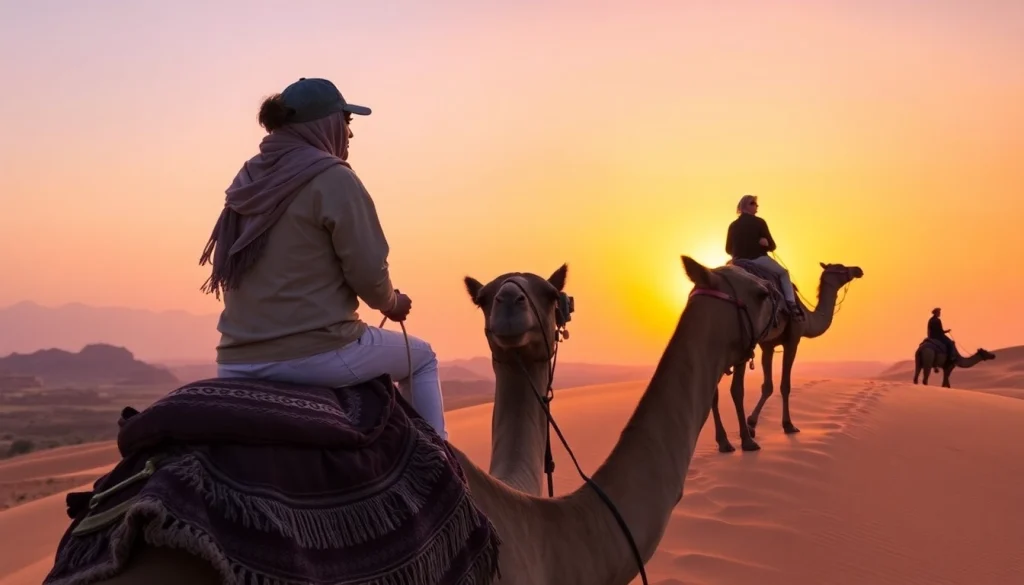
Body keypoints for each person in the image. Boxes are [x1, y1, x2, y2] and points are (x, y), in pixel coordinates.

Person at [198, 77, 447, 439]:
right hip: (315, 354)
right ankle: (444, 468)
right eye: (346, 122)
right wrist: (392, 303)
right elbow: (368, 274)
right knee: (422, 358)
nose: (349, 135)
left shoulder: (248, 178)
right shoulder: (332, 177)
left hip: (237, 361)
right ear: (324, 124)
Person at [725, 194, 804, 320]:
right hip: (757, 260)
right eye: (754, 204)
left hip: (737, 262)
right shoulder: (759, 222)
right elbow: (772, 246)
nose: (757, 206)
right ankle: (791, 304)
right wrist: (765, 244)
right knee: (784, 273)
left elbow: (728, 249)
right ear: (747, 206)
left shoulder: (733, 225)